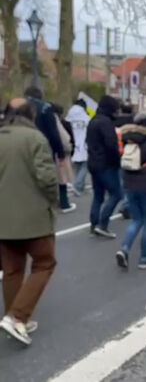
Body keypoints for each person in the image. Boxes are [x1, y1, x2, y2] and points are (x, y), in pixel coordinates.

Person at [0, 99, 58, 346]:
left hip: (3, 217)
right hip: (33, 216)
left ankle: (15, 315)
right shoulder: (35, 139)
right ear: (30, 115)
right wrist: (54, 202)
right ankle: (17, 316)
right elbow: (46, 178)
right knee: (45, 262)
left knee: (12, 268)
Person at [115, 114, 146, 270]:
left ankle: (124, 249)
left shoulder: (126, 139)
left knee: (136, 220)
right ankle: (145, 257)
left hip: (130, 185)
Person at [86, 95, 123, 238]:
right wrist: (117, 161)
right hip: (106, 164)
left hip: (93, 162)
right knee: (116, 194)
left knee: (98, 196)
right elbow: (111, 145)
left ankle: (94, 224)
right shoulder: (106, 123)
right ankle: (103, 224)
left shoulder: (93, 121)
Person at [53, 104, 77, 213]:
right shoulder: (58, 122)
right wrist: (69, 149)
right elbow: (66, 139)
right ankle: (64, 203)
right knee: (62, 179)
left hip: (50, 153)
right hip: (59, 154)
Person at [65, 99, 91, 196]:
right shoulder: (86, 118)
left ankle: (80, 185)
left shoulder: (69, 117)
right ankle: (78, 185)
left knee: (77, 166)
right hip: (84, 144)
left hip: (73, 144)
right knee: (85, 165)